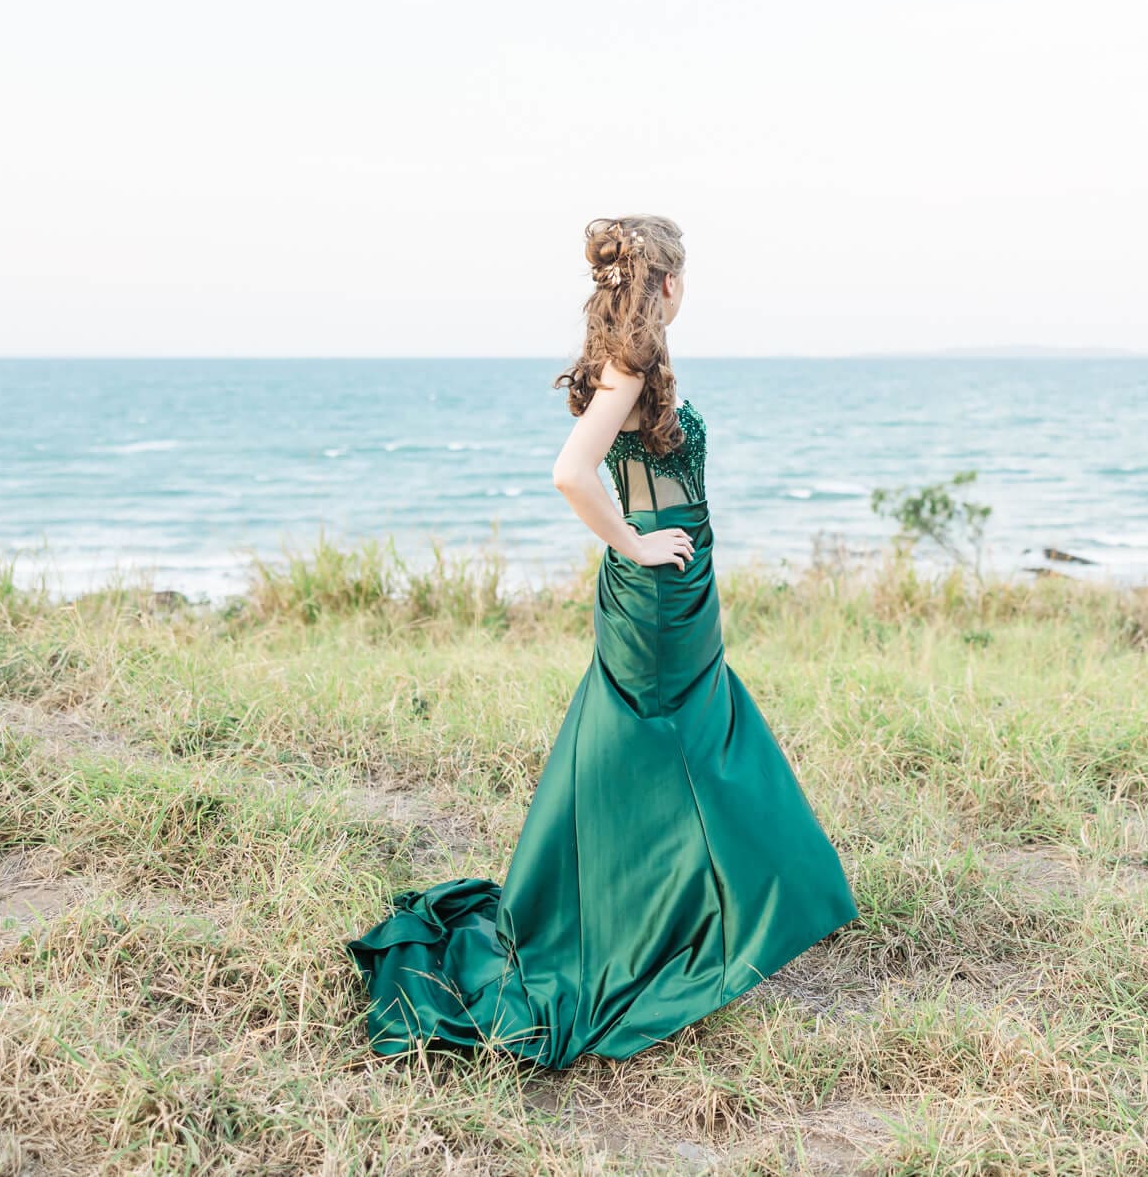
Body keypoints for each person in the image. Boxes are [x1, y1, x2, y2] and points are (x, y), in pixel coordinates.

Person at [345, 214, 858, 1066]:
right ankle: (698, 914)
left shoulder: (633, 358)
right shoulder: (629, 364)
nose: (685, 289)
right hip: (657, 588)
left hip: (674, 590)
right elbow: (569, 472)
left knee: (675, 746)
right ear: (664, 284)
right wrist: (633, 542)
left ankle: (689, 908)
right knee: (690, 746)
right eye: (682, 277)